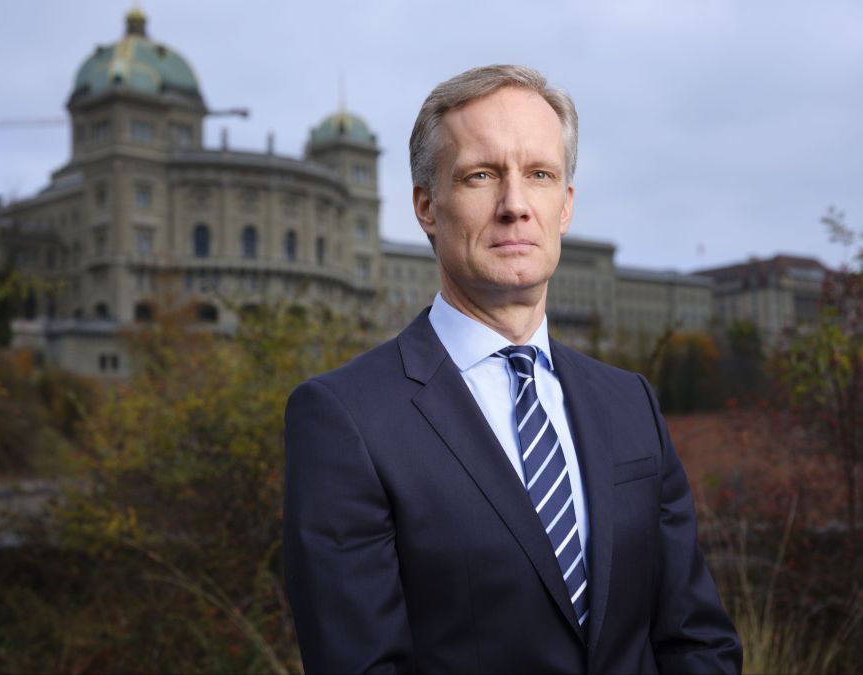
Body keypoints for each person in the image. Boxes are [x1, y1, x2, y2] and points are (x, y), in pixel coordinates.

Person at [283, 64, 742, 673]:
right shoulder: (346, 418)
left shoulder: (630, 402)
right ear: (426, 206)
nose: (515, 205)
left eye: (540, 175)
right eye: (481, 176)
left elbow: (698, 640)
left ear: (566, 207)